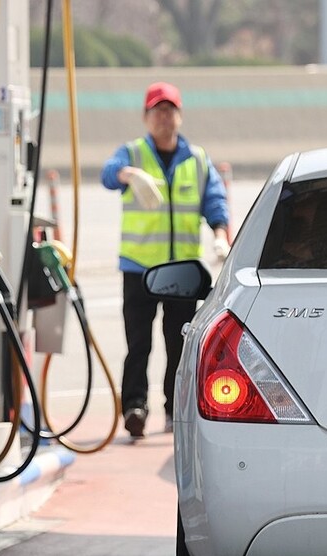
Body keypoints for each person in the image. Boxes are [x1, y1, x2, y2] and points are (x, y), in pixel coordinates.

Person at [101, 81, 230, 438]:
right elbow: (107, 174)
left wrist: (220, 236)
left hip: (183, 271)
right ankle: (135, 407)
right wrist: (128, 174)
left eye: (170, 110)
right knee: (138, 343)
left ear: (180, 116)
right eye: (157, 111)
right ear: (146, 117)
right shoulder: (131, 154)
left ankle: (176, 408)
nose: (164, 117)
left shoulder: (198, 160)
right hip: (139, 268)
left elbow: (215, 202)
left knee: (181, 343)